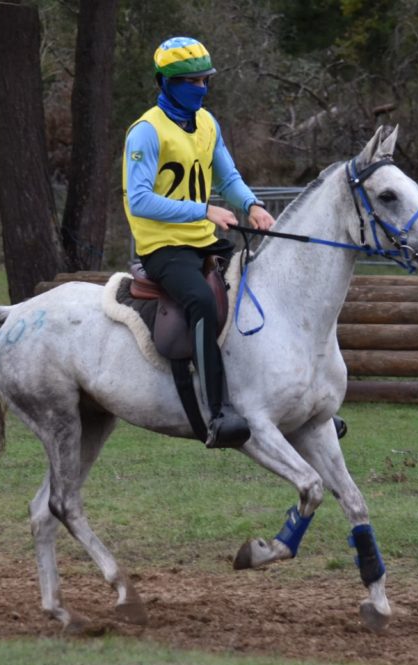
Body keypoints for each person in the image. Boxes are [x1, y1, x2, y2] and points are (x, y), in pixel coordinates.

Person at [122, 36, 274, 449]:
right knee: (202, 303)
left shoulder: (207, 123)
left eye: (205, 80)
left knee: (263, 285)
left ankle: (288, 396)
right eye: (192, 81)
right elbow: (138, 199)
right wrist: (202, 210)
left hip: (203, 240)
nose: (201, 88)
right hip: (163, 249)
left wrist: (252, 205)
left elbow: (228, 176)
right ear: (167, 83)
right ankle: (218, 410)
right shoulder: (146, 132)